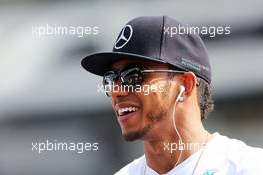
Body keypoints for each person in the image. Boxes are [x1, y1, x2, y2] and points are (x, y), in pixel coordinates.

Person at [81, 16, 263, 175]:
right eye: (111, 79)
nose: (117, 91)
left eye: (133, 76)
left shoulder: (249, 168)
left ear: (185, 85)